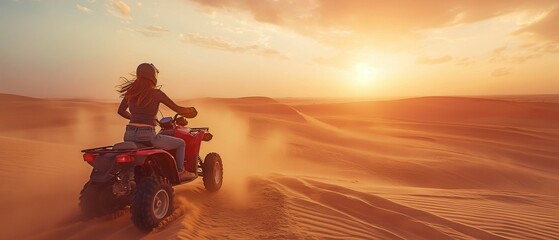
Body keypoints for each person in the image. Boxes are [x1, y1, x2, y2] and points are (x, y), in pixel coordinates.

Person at [117, 63, 197, 180]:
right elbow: (178, 109)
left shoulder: (131, 92)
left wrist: (135, 118)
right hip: (147, 135)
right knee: (181, 143)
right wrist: (190, 111)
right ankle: (180, 171)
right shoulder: (156, 93)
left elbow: (120, 111)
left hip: (129, 135)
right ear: (153, 77)